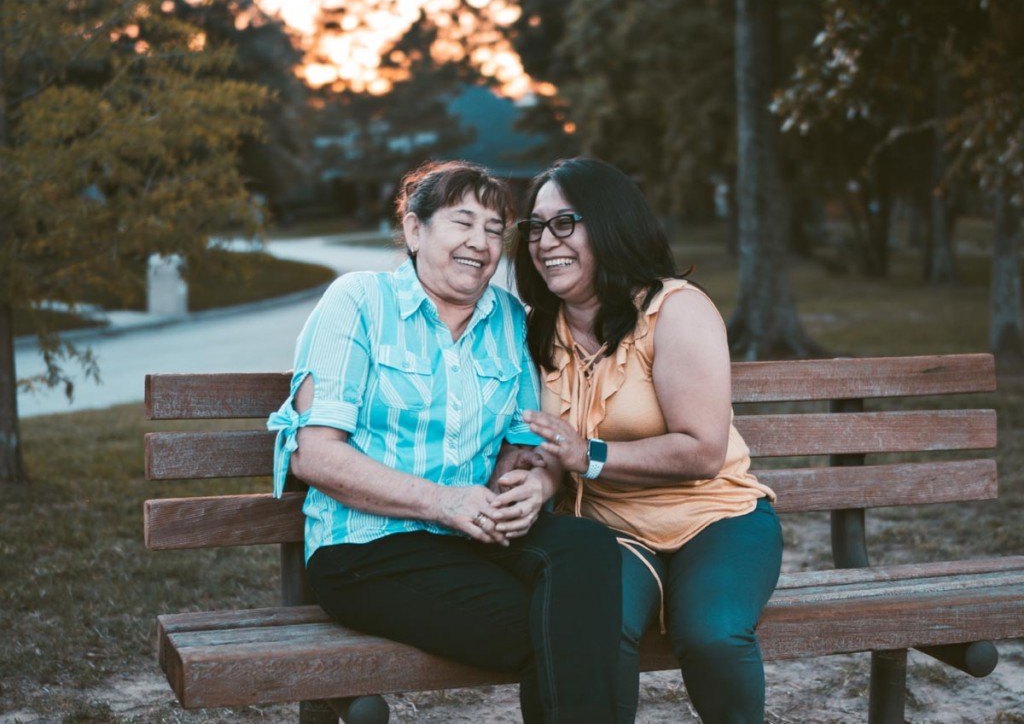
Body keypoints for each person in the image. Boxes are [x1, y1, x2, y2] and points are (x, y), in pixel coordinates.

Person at [267, 160, 622, 724]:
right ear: (414, 230)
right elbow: (315, 453)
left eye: (493, 229)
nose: (480, 243)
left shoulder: (508, 318)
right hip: (367, 550)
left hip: (470, 536)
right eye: (462, 222)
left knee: (589, 549)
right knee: (562, 629)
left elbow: (523, 441)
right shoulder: (358, 302)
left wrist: (531, 483)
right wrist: (444, 502)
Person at [510, 157, 783, 724]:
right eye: (536, 226)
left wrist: (590, 454)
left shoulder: (674, 310)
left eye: (565, 223)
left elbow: (703, 449)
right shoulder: (535, 327)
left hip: (716, 519)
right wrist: (536, 478)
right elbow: (543, 444)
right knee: (592, 636)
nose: (545, 241)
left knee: (712, 635)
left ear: (609, 224)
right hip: (608, 532)